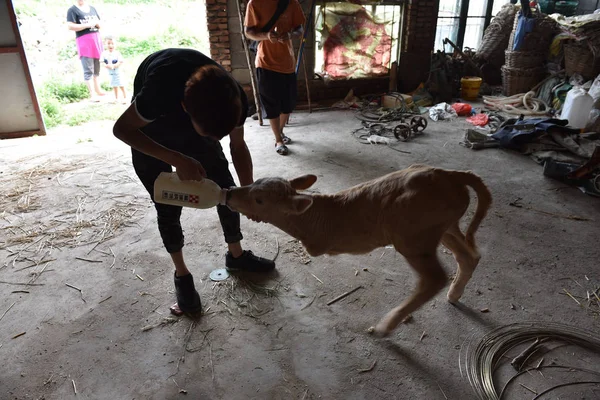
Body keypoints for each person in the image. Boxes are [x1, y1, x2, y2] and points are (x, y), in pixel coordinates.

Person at [113, 49, 275, 316]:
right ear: (185, 108)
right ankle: (183, 276)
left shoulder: (233, 97)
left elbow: (237, 145)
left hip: (198, 116)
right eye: (211, 136)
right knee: (167, 202)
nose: (217, 140)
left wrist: (249, 193)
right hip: (148, 132)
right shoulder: (158, 93)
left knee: (226, 189)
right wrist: (176, 158)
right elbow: (122, 129)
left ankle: (236, 256)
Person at [245, 0, 306, 155]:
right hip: (265, 62)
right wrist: (266, 35)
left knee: (288, 104)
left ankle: (280, 131)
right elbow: (249, 31)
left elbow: (299, 28)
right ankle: (278, 140)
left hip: (287, 63)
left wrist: (291, 34)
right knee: (271, 103)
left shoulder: (291, 3)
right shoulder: (255, 4)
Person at [67, 0, 105, 101]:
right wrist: (87, 25)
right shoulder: (72, 10)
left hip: (96, 40)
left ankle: (98, 89)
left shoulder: (92, 8)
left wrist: (96, 24)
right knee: (88, 69)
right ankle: (92, 94)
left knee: (97, 67)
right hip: (84, 42)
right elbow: (70, 26)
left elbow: (100, 24)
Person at [101, 36, 127, 103]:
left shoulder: (117, 53)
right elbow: (102, 61)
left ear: (115, 45)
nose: (110, 45)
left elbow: (120, 62)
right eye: (108, 43)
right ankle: (116, 98)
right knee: (114, 85)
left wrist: (114, 66)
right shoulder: (104, 53)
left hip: (118, 72)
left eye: (112, 43)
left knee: (121, 84)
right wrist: (106, 66)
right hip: (111, 73)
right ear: (105, 44)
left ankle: (125, 97)